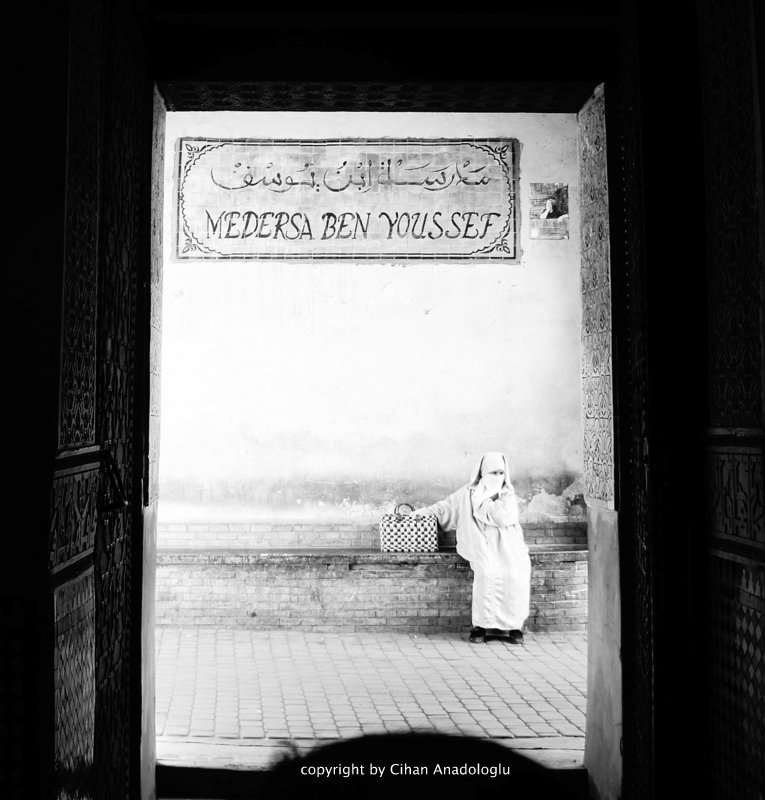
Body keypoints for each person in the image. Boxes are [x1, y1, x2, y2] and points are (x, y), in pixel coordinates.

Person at [414, 452, 531, 644]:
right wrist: (418, 515)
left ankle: (514, 627)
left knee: (514, 572)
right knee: (486, 573)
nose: (497, 477)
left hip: (508, 547)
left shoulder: (507, 494)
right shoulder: (467, 494)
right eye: (493, 472)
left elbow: (502, 516)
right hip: (481, 547)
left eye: (501, 472)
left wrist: (483, 502)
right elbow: (444, 509)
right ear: (483, 473)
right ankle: (481, 627)